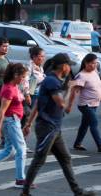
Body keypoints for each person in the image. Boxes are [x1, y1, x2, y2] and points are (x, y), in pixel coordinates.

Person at [20, 53, 95, 196]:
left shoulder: (53, 81)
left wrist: (28, 123)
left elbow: (38, 104)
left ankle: (77, 191)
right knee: (39, 160)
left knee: (65, 158)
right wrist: (70, 89)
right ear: (63, 66)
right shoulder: (52, 82)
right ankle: (25, 192)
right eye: (69, 66)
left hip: (54, 128)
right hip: (48, 128)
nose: (70, 69)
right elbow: (62, 104)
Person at [66, 53, 101, 152]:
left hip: (94, 104)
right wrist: (69, 105)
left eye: (95, 63)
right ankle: (99, 145)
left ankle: (77, 143)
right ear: (86, 63)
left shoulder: (94, 72)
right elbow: (74, 91)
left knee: (84, 124)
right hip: (85, 105)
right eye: (91, 63)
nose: (94, 65)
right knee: (94, 123)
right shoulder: (81, 76)